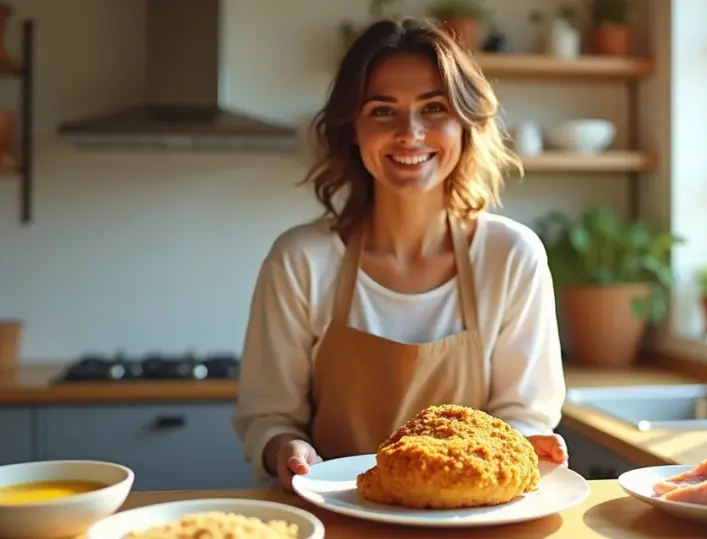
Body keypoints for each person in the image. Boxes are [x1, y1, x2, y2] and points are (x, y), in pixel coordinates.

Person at [233, 17, 568, 492]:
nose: (410, 132)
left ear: (466, 124)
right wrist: (283, 446)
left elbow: (524, 412)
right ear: (353, 130)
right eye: (382, 111)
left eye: (433, 108)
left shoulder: (510, 256)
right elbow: (269, 415)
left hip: (470, 516)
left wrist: (530, 440)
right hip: (335, 516)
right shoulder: (301, 259)